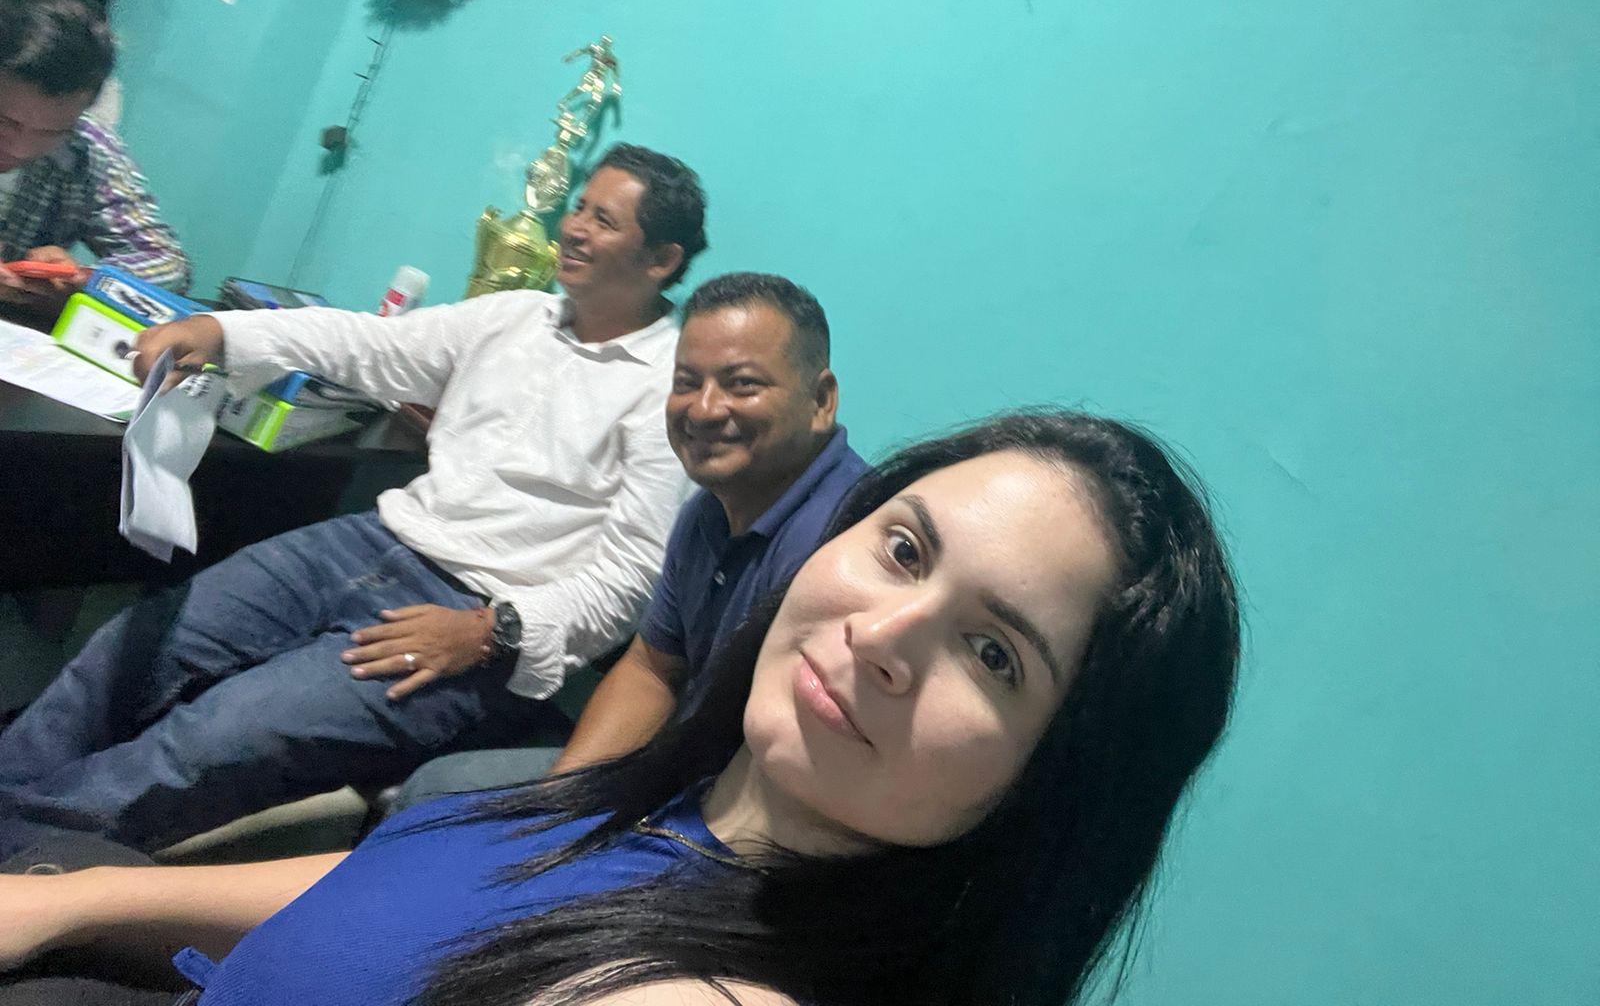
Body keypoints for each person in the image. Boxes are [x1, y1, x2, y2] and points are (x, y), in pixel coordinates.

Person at [0, 410, 1242, 1006]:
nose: (883, 635)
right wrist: (83, 899)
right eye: (905, 550)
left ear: (1058, 778)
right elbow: (421, 879)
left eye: (993, 653)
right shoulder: (684, 800)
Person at [0, 144, 709, 858]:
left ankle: (23, 858)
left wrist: (493, 631)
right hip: (366, 545)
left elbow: (632, 577)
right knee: (135, 647)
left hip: (467, 619)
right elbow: (366, 343)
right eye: (579, 208)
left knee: (214, 738)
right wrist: (221, 332)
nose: (574, 228)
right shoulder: (519, 318)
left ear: (662, 259)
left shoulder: (668, 389)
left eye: (604, 220)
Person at [394, 272, 869, 802]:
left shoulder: (846, 547)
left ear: (821, 400)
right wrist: (555, 806)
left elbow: (801, 769)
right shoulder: (707, 513)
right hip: (678, 767)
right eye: (686, 382)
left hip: (752, 803)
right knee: (433, 790)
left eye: (742, 385)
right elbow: (652, 669)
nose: (704, 408)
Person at [0, 0, 189, 306]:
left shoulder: (86, 148)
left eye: (50, 132)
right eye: (5, 122)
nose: (20, 147)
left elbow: (167, 264)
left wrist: (82, 281)